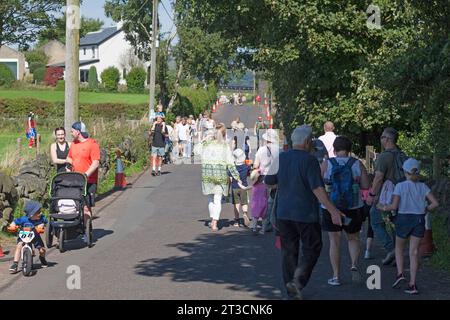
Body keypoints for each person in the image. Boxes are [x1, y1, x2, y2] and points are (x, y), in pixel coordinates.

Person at [265, 125, 344, 300]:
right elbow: (318, 189)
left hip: (284, 213)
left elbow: (269, 181)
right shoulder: (309, 161)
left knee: (288, 252)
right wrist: (334, 211)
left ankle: (290, 291)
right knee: (313, 247)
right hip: (306, 214)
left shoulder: (280, 158)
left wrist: (286, 182)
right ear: (308, 142)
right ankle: (297, 282)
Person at [380, 158, 438, 294]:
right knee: (414, 252)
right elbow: (435, 203)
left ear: (405, 172)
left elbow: (394, 206)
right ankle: (413, 284)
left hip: (403, 218)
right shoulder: (423, 186)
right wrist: (426, 209)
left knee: (399, 248)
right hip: (418, 220)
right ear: (418, 172)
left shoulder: (400, 186)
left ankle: (400, 274)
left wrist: (382, 206)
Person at [320, 136, 370, 286]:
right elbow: (366, 185)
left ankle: (336, 276)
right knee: (353, 238)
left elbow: (318, 184)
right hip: (353, 207)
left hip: (331, 207)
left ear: (334, 150)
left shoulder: (327, 163)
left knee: (334, 241)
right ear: (350, 150)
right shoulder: (357, 164)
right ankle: (354, 264)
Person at [366, 127, 407, 265]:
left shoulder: (384, 156)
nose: (381, 139)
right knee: (395, 224)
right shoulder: (402, 155)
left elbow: (378, 178)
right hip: (401, 194)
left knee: (375, 219)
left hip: (386, 196)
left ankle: (391, 249)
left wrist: (372, 194)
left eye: (383, 137)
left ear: (388, 139)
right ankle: (398, 254)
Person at [199, 123, 248, 231]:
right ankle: (214, 222)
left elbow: (196, 151)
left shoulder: (207, 143)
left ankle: (213, 219)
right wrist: (237, 178)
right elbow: (230, 164)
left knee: (211, 199)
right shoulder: (225, 146)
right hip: (220, 175)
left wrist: (203, 140)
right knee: (217, 199)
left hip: (208, 175)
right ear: (224, 134)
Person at [67, 121, 100, 224]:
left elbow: (95, 163)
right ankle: (75, 227)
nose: (71, 133)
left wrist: (85, 175)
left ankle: (87, 230)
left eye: (72, 131)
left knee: (86, 207)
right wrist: (69, 166)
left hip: (88, 180)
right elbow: (70, 157)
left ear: (78, 131)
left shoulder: (92, 144)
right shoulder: (73, 144)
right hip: (75, 180)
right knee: (74, 206)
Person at [8, 200, 49, 273]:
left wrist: (42, 225)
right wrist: (13, 225)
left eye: (40, 211)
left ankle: (42, 258)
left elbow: (46, 222)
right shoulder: (24, 219)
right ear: (31, 215)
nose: (41, 213)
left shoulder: (41, 218)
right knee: (19, 246)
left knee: (42, 250)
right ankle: (15, 263)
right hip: (24, 236)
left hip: (35, 236)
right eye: (38, 212)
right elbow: (15, 222)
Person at [229, 149, 251, 227]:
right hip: (244, 186)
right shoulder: (246, 166)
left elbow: (230, 179)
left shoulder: (232, 167)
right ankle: (245, 213)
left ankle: (236, 221)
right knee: (244, 203)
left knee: (236, 204)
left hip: (234, 187)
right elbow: (249, 172)